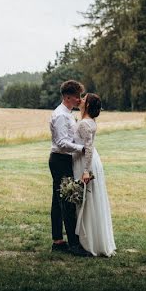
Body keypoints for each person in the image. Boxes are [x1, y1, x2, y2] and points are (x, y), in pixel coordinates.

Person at [49, 80, 91, 257]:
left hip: (65, 159)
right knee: (66, 201)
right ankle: (73, 245)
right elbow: (61, 142)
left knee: (59, 200)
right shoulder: (60, 116)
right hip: (60, 160)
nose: (79, 100)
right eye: (77, 96)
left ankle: (58, 241)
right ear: (67, 97)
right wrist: (81, 149)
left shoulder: (67, 114)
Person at [72, 93, 116, 257]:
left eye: (84, 99)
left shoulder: (84, 123)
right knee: (88, 200)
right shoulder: (88, 121)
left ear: (88, 105)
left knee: (87, 200)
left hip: (85, 162)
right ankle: (90, 237)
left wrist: (86, 170)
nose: (80, 100)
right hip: (90, 160)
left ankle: (88, 241)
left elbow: (88, 148)